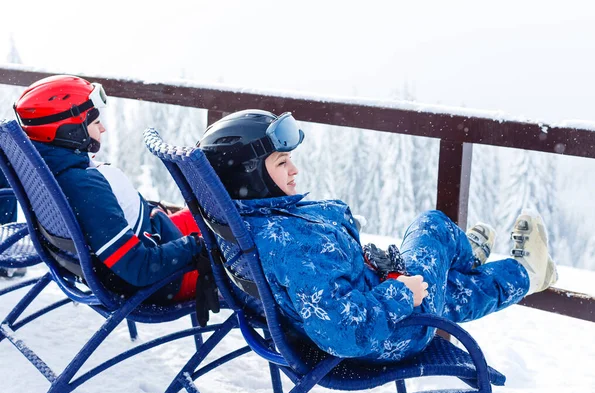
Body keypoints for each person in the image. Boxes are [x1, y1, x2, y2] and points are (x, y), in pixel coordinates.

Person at [199, 109, 558, 362]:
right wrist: (400, 292)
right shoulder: (294, 247)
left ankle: (512, 272)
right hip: (390, 334)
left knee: (446, 293)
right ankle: (474, 259)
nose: (295, 169)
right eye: (281, 163)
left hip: (365, 305)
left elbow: (320, 291)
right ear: (248, 176)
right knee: (431, 225)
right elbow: (345, 332)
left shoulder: (245, 222)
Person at [13, 75, 216, 310]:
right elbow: (138, 267)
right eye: (94, 122)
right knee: (246, 235)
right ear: (70, 130)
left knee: (229, 216)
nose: (103, 128)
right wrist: (199, 246)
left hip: (158, 237)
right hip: (169, 278)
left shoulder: (49, 166)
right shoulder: (85, 188)